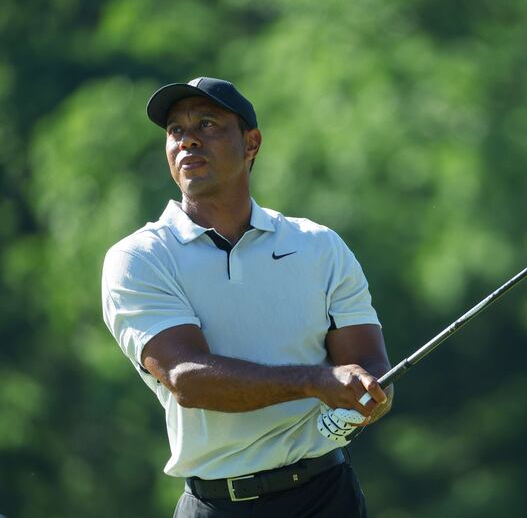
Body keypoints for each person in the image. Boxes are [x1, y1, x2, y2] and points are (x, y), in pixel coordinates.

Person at [101, 77, 393, 517]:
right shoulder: (140, 257)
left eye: (207, 124)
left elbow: (371, 366)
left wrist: (365, 395)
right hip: (218, 504)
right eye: (175, 130)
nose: (188, 140)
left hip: (327, 495)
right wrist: (318, 383)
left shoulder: (319, 245)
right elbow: (187, 378)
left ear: (251, 143)